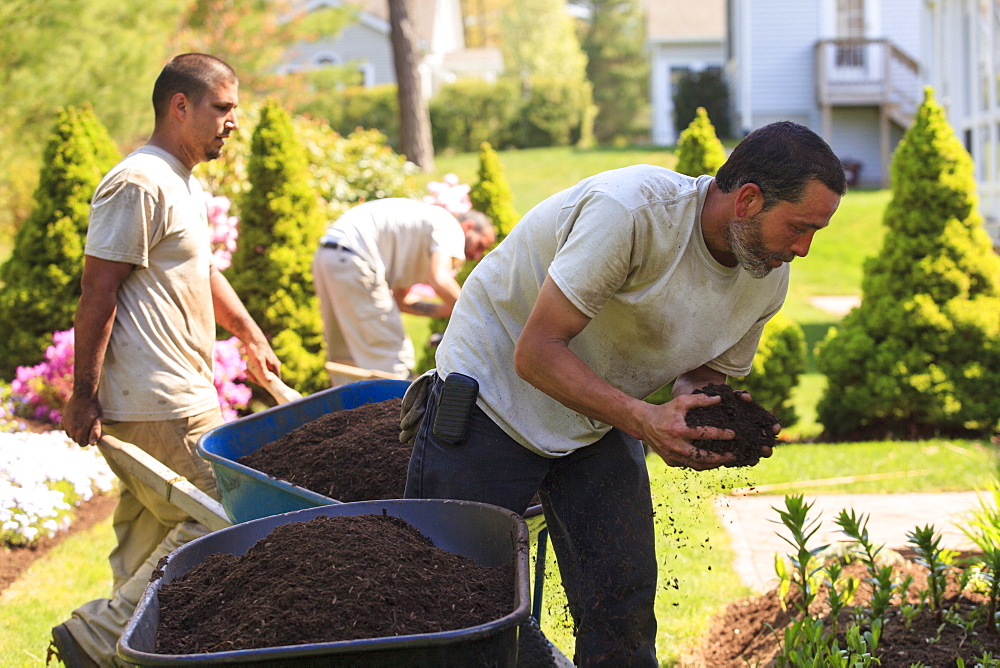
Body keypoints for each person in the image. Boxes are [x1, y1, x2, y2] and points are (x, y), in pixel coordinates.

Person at [402, 121, 846, 666]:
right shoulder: (632, 212)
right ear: (748, 200)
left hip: (597, 413)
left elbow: (705, 374)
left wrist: (703, 420)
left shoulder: (765, 275)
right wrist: (643, 420)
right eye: (798, 227)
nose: (802, 249)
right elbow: (536, 351)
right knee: (458, 609)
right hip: (494, 396)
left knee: (624, 609)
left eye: (814, 234)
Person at [51, 53, 282, 668]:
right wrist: (82, 393)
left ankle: (130, 653)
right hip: (161, 401)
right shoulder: (139, 182)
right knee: (230, 517)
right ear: (179, 105)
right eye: (222, 109)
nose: (233, 122)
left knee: (148, 537)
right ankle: (98, 638)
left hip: (174, 394)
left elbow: (202, 270)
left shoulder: (181, 179)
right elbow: (97, 290)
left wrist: (250, 335)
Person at [312, 198, 494, 385]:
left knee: (346, 359)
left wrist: (447, 311)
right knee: (391, 357)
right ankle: (394, 409)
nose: (476, 256)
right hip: (356, 258)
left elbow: (401, 301)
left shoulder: (420, 234)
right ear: (468, 227)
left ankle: (347, 411)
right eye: (480, 245)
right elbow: (439, 279)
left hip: (328, 255)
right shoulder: (451, 228)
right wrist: (478, 314)